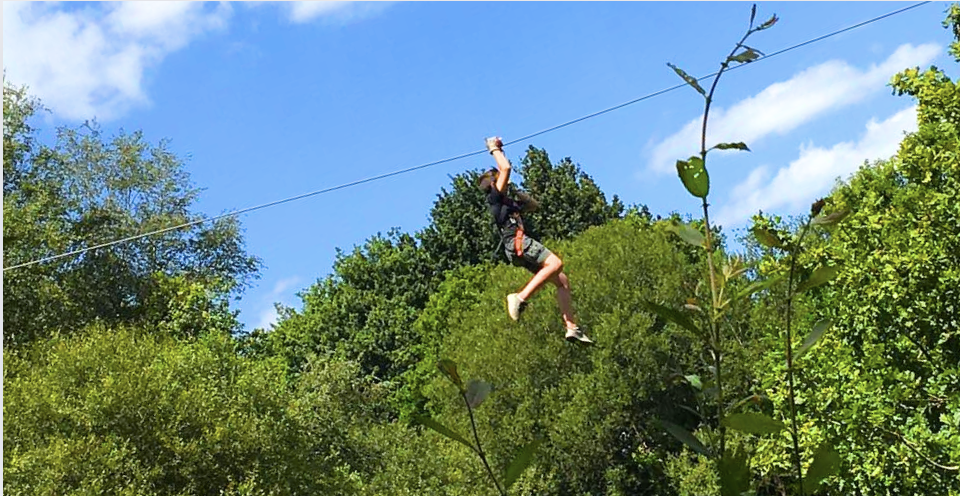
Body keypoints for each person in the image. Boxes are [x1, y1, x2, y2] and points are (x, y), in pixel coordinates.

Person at [477, 136, 593, 345]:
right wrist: (495, 149)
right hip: (517, 242)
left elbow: (533, 206)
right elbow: (506, 168)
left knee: (562, 280)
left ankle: (572, 327)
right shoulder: (495, 198)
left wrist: (517, 192)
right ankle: (520, 297)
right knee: (556, 263)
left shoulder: (507, 203)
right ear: (494, 184)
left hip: (516, 247)